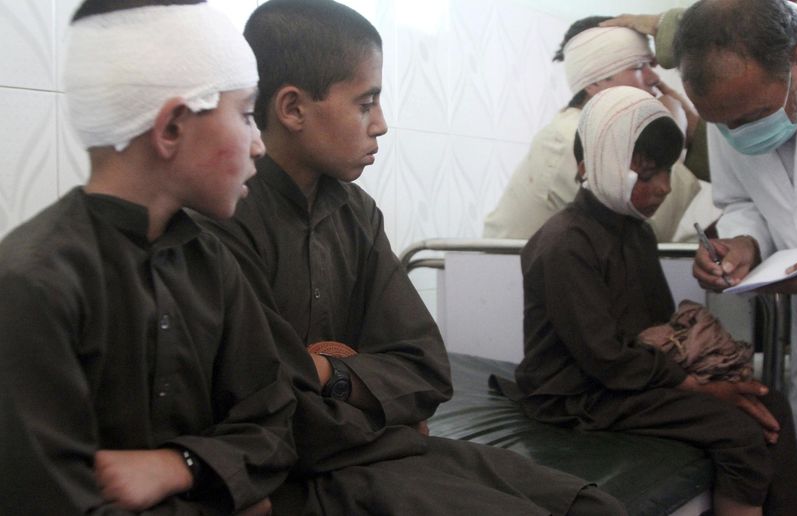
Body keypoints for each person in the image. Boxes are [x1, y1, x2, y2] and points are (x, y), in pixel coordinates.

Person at [195, 0, 626, 514]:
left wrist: (333, 376)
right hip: (306, 473)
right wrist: (382, 407)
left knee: (595, 507)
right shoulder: (225, 218)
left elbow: (424, 367)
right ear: (292, 109)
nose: (380, 124)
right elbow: (270, 407)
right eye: (365, 103)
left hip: (385, 449)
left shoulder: (356, 213)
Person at [0, 1, 298, 514]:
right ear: (172, 129)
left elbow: (272, 428)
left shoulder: (212, 263)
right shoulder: (34, 284)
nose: (259, 146)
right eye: (247, 115)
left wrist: (181, 464)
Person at [500, 86, 797, 516]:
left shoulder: (636, 231)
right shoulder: (564, 244)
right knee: (739, 433)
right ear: (595, 165)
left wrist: (701, 369)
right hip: (578, 395)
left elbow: (660, 326)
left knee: (771, 405)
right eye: (646, 175)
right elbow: (604, 357)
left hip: (631, 378)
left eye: (667, 170)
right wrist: (699, 389)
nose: (663, 187)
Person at [665, 1, 797, 514]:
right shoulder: (731, 104)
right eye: (723, 126)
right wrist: (744, 243)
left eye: (750, 119)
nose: (739, 136)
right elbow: (744, 200)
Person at [482, 16, 719, 243]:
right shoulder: (568, 138)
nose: (653, 78)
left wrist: (690, 133)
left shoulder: (605, 132)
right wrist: (673, 136)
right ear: (595, 83)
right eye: (639, 67)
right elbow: (650, 229)